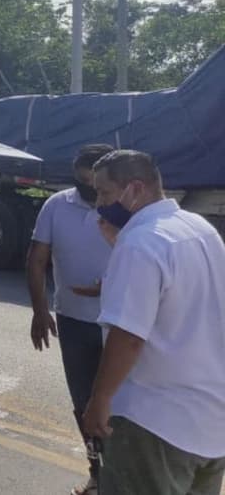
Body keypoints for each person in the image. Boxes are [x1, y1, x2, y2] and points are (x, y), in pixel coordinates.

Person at [82, 149, 225, 495]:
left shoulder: (140, 243)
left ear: (135, 188)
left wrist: (100, 399)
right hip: (212, 422)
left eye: (103, 192)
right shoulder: (199, 229)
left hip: (154, 424)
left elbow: (128, 335)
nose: (99, 203)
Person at [27, 143, 116, 495]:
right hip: (74, 322)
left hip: (122, 326)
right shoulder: (57, 205)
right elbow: (37, 259)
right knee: (84, 405)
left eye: (95, 186)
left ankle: (123, 478)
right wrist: (39, 310)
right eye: (82, 184)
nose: (89, 193)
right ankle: (98, 474)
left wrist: (112, 286)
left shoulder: (127, 208)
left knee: (124, 407)